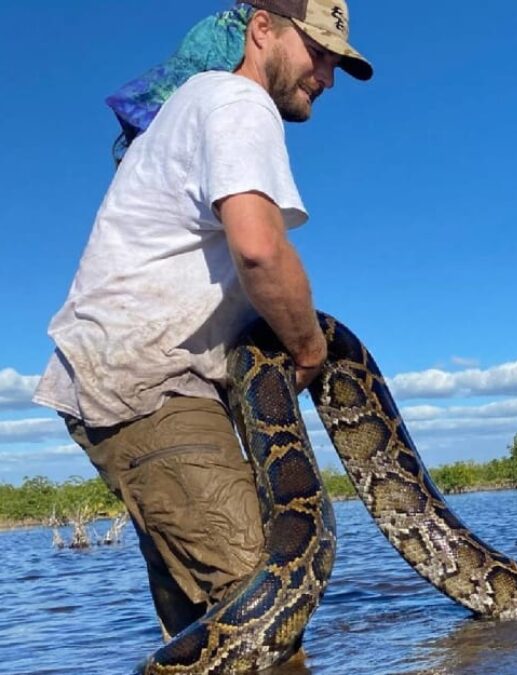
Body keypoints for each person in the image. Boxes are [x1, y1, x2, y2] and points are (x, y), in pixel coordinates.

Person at [32, 0, 372, 638]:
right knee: (263, 602)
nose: (325, 75)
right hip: (155, 386)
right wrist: (306, 351)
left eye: (335, 62)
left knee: (202, 624)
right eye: (317, 51)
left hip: (134, 377)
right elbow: (259, 249)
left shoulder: (194, 107)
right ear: (262, 29)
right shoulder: (238, 103)